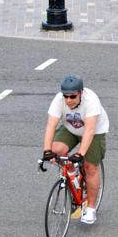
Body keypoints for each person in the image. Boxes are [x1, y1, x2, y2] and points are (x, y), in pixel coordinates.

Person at [42, 74, 109, 224]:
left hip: (94, 131)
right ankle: (71, 170)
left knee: (90, 167)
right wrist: (47, 150)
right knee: (56, 150)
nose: (68, 100)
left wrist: (80, 154)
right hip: (71, 129)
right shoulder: (59, 100)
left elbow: (90, 130)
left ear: (80, 93)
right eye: (66, 97)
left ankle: (91, 209)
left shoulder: (91, 100)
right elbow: (51, 125)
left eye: (72, 97)